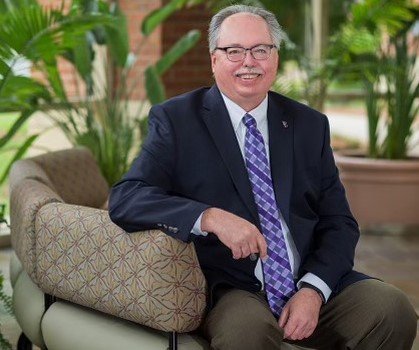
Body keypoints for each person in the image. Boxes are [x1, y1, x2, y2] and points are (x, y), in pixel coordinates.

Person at [109, 5, 417, 350]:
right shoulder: (177, 121)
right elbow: (127, 197)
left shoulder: (309, 125)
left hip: (307, 280)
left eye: (260, 50)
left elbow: (339, 222)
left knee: (392, 309)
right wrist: (210, 217)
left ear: (275, 58)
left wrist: (314, 290)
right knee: (248, 334)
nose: (248, 61)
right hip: (234, 287)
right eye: (234, 51)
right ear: (214, 60)